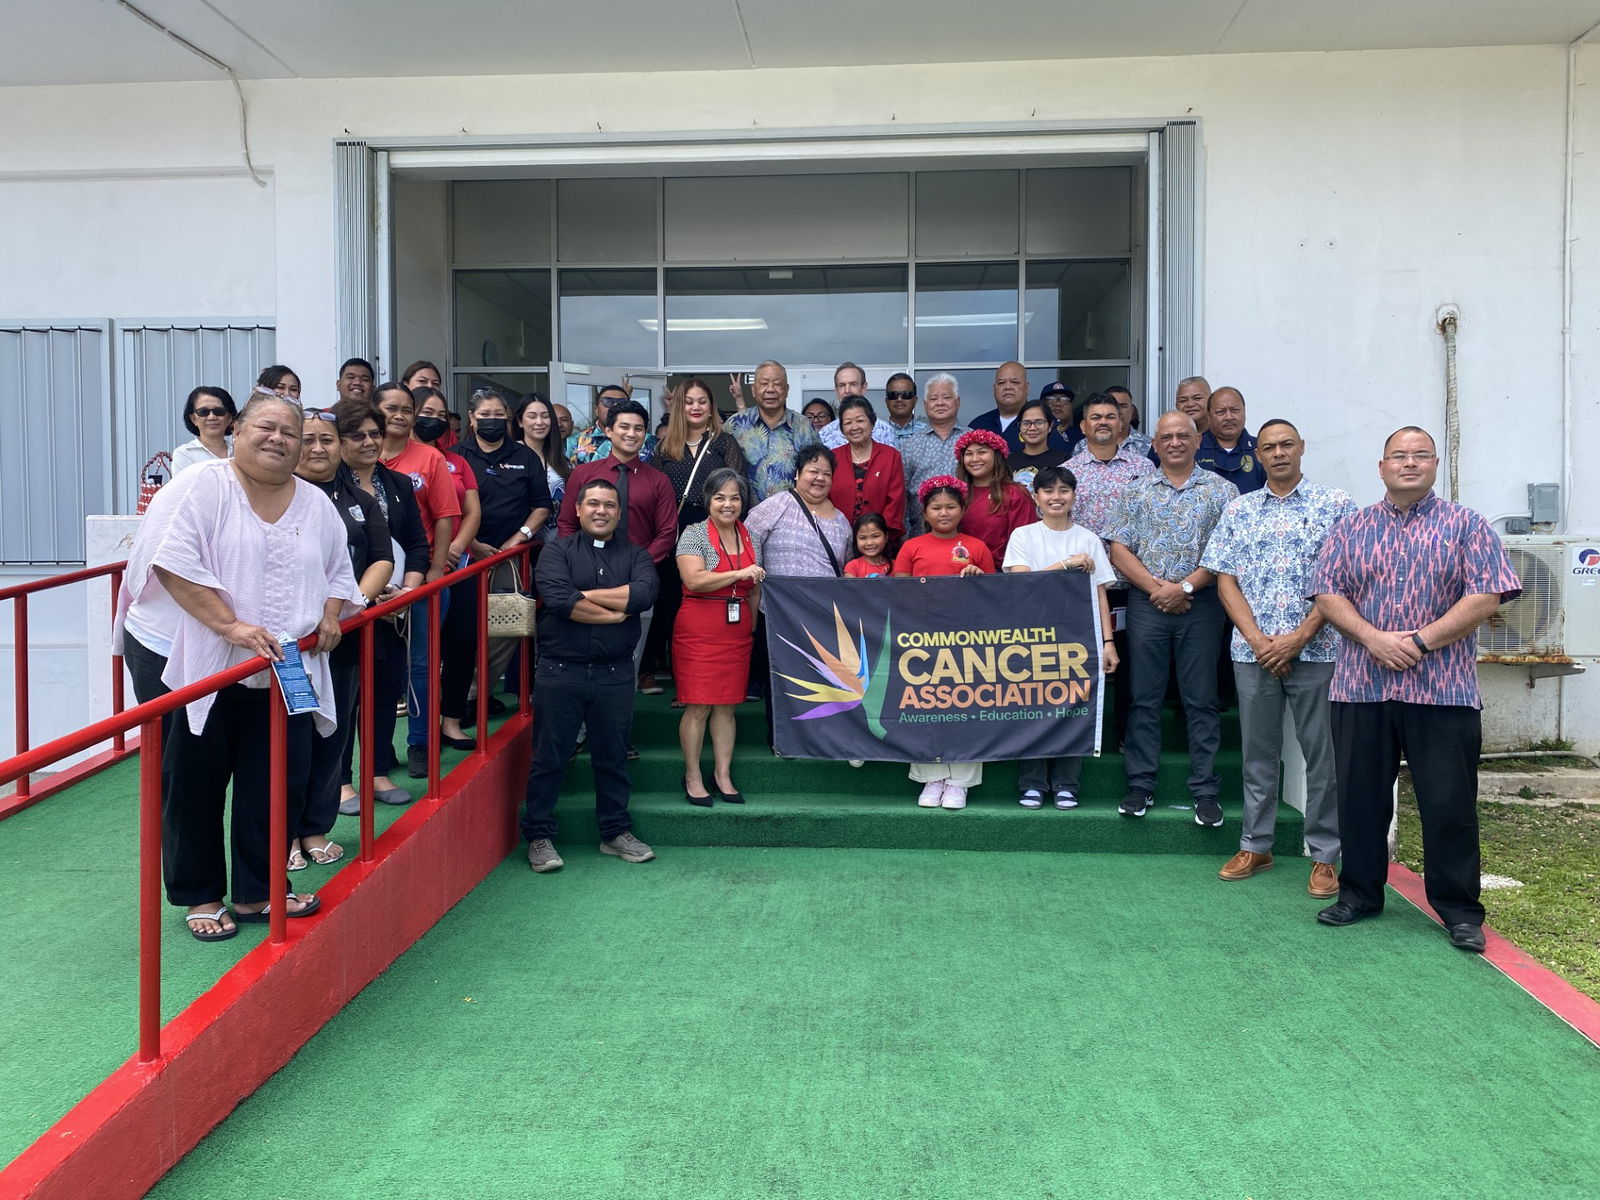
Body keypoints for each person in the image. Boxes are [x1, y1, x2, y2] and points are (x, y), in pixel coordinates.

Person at [112, 393, 364, 940]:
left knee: (275, 777)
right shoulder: (201, 487)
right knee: (195, 778)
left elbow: (337, 570)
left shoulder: (316, 503)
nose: (278, 439)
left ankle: (258, 891)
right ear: (237, 431)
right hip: (188, 656)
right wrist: (229, 627)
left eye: (290, 433)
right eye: (265, 428)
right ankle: (200, 894)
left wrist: (328, 615)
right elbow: (170, 564)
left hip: (280, 663)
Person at [1309, 426, 1521, 952]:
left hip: (1443, 690)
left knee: (1448, 803)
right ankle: (1359, 893)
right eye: (1398, 456)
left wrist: (1421, 642)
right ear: (1381, 467)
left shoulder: (1467, 525)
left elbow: (1487, 596)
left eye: (1420, 455)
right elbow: (1327, 594)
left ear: (1434, 466)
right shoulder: (1351, 528)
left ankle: (1458, 910)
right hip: (1361, 687)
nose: (1409, 463)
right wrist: (1374, 639)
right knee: (1359, 799)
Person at [1202, 419, 1355, 897]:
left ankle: (1326, 855)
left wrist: (1297, 638)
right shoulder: (1239, 509)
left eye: (1287, 444)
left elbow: (1344, 578)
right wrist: (1257, 639)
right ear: (1258, 454)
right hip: (1253, 654)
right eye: (1269, 447)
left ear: (1302, 448)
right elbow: (1225, 579)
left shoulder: (1336, 506)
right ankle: (1256, 844)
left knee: (1321, 755)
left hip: (1320, 648)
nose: (1279, 453)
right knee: (1258, 755)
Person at [521, 478, 660, 873]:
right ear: (578, 509)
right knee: (550, 757)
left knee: (613, 757)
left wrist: (586, 595)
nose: (601, 511)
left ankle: (615, 833)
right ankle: (539, 836)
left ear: (619, 513)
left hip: (615, 673)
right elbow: (561, 601)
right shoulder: (554, 551)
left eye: (609, 505)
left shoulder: (637, 556)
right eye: (593, 504)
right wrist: (617, 609)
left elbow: (645, 594)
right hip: (559, 672)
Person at [1107, 411, 1236, 825]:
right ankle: (1140, 785)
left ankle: (1205, 790)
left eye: (1184, 435)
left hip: (1202, 605)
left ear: (1198, 440)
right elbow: (1119, 549)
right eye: (1167, 437)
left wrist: (1183, 589)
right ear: (1156, 444)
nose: (1176, 442)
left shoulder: (1223, 490)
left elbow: (1224, 553)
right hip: (1148, 605)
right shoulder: (1136, 489)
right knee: (1143, 699)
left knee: (1201, 700)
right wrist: (1158, 589)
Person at [293, 406, 394, 870]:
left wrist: (347, 609)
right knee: (289, 737)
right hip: (290, 644)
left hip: (343, 634)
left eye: (327, 439)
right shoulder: (276, 495)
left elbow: (380, 559)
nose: (317, 448)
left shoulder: (360, 499)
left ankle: (315, 827)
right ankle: (284, 834)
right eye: (307, 438)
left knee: (333, 733)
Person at [1004, 466, 1118, 809]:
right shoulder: (1023, 536)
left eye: (1064, 490)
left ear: (1073, 495)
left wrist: (1108, 643)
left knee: (1073, 708)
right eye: (1048, 490)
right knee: (1033, 707)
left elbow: (1100, 594)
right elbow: (1023, 584)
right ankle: (1033, 783)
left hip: (1077, 637)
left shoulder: (1088, 539)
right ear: (1036, 497)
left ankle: (1067, 783)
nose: (1057, 497)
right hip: (1031, 635)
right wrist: (1066, 565)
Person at [441, 387, 550, 743]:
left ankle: (478, 693)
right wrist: (471, 542)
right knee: (463, 634)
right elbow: (447, 508)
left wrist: (517, 539)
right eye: (484, 415)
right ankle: (461, 702)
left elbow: (541, 505)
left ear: (508, 418)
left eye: (498, 415)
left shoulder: (524, 456)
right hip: (465, 557)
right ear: (471, 418)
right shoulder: (454, 457)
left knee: (508, 628)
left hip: (511, 559)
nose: (492, 421)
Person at [333, 400, 424, 811]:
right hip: (343, 610)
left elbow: (419, 545)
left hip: (392, 610)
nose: (370, 442)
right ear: (339, 441)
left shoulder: (399, 484)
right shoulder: (325, 488)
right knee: (342, 696)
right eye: (358, 435)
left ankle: (378, 772)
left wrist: (407, 589)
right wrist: (363, 596)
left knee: (385, 690)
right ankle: (340, 781)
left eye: (375, 433)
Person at [375, 381, 464, 777]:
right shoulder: (360, 453)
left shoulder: (428, 458)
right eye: (391, 408)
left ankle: (420, 743)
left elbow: (446, 516)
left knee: (421, 665)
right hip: (369, 586)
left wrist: (435, 570)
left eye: (406, 409)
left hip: (422, 578)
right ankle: (378, 751)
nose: (399, 415)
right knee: (377, 669)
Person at [640, 378, 747, 700]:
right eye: (689, 401)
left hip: (712, 526)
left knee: (704, 605)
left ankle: (695, 679)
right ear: (678, 406)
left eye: (702, 401)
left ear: (711, 407)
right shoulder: (664, 448)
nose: (696, 407)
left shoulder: (724, 443)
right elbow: (654, 495)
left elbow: (740, 488)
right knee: (669, 602)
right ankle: (650, 669)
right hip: (673, 529)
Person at [893, 476, 992, 809]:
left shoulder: (976, 547)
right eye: (936, 507)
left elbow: (996, 597)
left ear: (962, 510)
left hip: (967, 640)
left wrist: (979, 579)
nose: (944, 512)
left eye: (951, 506)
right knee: (926, 706)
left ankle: (960, 782)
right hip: (922, 640)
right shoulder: (911, 547)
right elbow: (899, 595)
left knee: (965, 706)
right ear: (925, 512)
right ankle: (931, 778)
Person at [745, 445, 852, 741]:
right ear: (798, 474)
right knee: (780, 675)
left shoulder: (842, 520)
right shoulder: (777, 505)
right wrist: (758, 581)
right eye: (813, 471)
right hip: (778, 613)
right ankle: (781, 737)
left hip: (823, 616)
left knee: (818, 677)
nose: (819, 478)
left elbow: (845, 568)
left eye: (826, 474)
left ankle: (818, 737)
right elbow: (748, 543)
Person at [1067, 393, 1156, 749]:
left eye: (1110, 416)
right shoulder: (1068, 473)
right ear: (1083, 426)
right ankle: (1081, 736)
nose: (1103, 422)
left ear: (1122, 423)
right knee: (1081, 664)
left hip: (1131, 583)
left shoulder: (1144, 468)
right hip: (1082, 586)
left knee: (1132, 665)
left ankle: (1125, 736)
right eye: (1095, 417)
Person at [674, 468, 765, 806]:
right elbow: (694, 580)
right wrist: (739, 573)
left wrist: (752, 630)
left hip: (737, 628)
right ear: (708, 500)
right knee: (698, 706)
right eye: (720, 497)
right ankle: (693, 775)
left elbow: (754, 590)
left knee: (727, 707)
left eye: (735, 498)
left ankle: (722, 774)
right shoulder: (693, 534)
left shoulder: (751, 536)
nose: (728, 504)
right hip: (699, 627)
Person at [725, 360, 823, 500]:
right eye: (764, 383)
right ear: (753, 389)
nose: (770, 389)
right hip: (744, 518)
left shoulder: (804, 427)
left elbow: (818, 472)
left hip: (792, 517)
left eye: (777, 384)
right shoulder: (735, 425)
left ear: (787, 390)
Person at [899, 373, 969, 537]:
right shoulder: (910, 445)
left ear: (957, 402)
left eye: (946, 397)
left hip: (966, 534)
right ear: (925, 405)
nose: (940, 403)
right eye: (933, 398)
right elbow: (901, 496)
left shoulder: (972, 441)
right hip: (920, 535)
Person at [829, 395, 907, 541]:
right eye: (848, 423)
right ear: (841, 428)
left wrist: (878, 536)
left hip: (880, 541)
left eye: (860, 420)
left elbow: (896, 501)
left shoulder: (890, 456)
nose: (854, 427)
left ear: (872, 422)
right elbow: (824, 498)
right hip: (838, 538)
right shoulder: (832, 457)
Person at [954, 428, 1036, 566]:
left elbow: (1024, 542)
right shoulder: (956, 494)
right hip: (959, 572)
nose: (975, 459)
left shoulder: (1015, 494)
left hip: (1000, 575)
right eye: (968, 454)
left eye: (982, 452)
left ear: (997, 456)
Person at [518, 391, 572, 550]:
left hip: (557, 541)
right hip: (520, 539)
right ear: (520, 421)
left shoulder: (562, 459)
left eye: (545, 416)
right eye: (532, 416)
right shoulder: (510, 455)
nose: (539, 422)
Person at [1195, 386, 1265, 493]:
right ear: (1208, 417)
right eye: (1220, 412)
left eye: (1235, 410)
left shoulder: (1261, 447)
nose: (1229, 417)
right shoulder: (1194, 447)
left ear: (1244, 413)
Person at [816, 362, 901, 448]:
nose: (847, 390)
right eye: (842, 385)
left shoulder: (885, 431)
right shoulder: (825, 434)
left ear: (864, 388)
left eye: (853, 384)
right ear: (836, 390)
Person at [1007, 399, 1071, 491]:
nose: (1032, 428)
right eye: (1026, 423)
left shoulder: (1064, 461)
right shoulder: (1007, 463)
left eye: (1039, 422)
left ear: (1050, 426)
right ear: (1019, 426)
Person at [171, 386, 237, 474]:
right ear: (193, 419)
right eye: (203, 412)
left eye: (219, 411)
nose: (212, 417)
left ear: (229, 418)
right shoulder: (185, 454)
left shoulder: (240, 451)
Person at [969, 361, 1031, 454]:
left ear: (1026, 387)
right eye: (1001, 383)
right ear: (994, 388)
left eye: (1015, 382)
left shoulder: (1042, 425)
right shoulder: (978, 426)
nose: (1007, 387)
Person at [402, 361, 452, 448]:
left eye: (435, 383)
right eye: (422, 381)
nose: (429, 386)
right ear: (406, 385)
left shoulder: (445, 432)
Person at [1106, 385, 1153, 457]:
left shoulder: (1150, 445)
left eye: (1123, 406)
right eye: (1113, 405)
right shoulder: (1086, 445)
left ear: (1131, 411)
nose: (1118, 411)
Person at [844, 512, 894, 577]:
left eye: (875, 536)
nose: (869, 543)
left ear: (886, 537)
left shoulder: (897, 566)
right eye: (862, 538)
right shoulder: (853, 567)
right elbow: (849, 587)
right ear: (856, 540)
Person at [882, 374, 926, 439]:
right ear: (886, 401)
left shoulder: (928, 432)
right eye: (893, 395)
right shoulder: (876, 433)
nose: (899, 399)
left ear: (915, 400)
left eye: (906, 395)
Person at [1041, 382, 1079, 449]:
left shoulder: (1081, 438)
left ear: (1071, 406)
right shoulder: (1034, 434)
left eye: (1064, 400)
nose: (1058, 404)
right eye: (1051, 400)